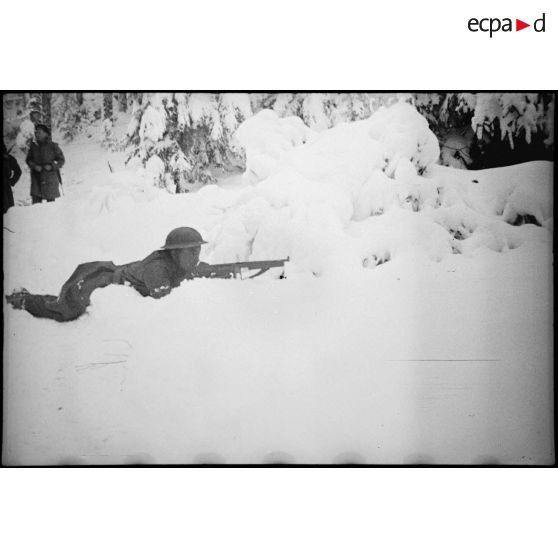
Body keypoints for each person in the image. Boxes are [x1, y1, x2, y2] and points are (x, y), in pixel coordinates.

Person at [6, 227, 207, 322]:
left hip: (113, 276)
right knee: (64, 309)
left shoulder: (175, 262)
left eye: (197, 251)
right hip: (100, 283)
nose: (196, 256)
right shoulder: (158, 269)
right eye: (192, 251)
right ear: (174, 252)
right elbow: (166, 300)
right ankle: (24, 300)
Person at [25, 124, 65, 204]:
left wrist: (51, 166)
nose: (37, 134)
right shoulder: (33, 147)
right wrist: (34, 166)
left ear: (46, 133)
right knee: (35, 205)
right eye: (36, 132)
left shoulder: (53, 146)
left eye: (39, 132)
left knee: (50, 206)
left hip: (49, 179)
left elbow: (61, 160)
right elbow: (28, 159)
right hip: (36, 178)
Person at [3, 143, 22, 214]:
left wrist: (11, 181)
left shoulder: (8, 158)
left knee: (8, 210)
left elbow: (18, 171)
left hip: (5, 186)